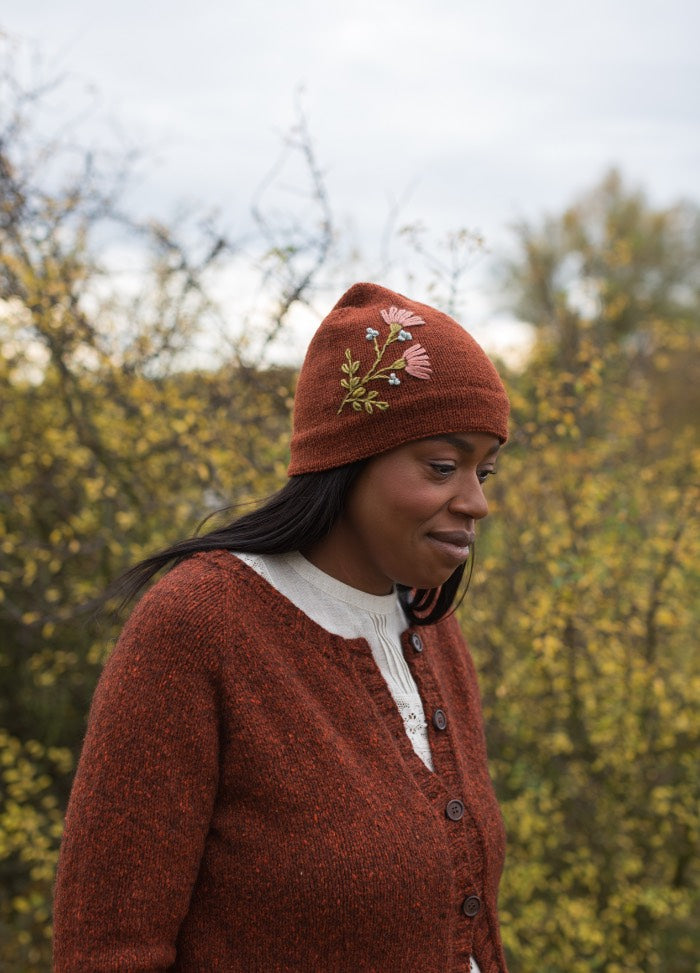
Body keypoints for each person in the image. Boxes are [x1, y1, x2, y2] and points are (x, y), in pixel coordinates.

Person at [53, 282, 511, 972]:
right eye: (443, 466)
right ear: (348, 458)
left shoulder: (429, 629)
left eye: (485, 469)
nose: (476, 501)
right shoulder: (199, 627)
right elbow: (106, 947)